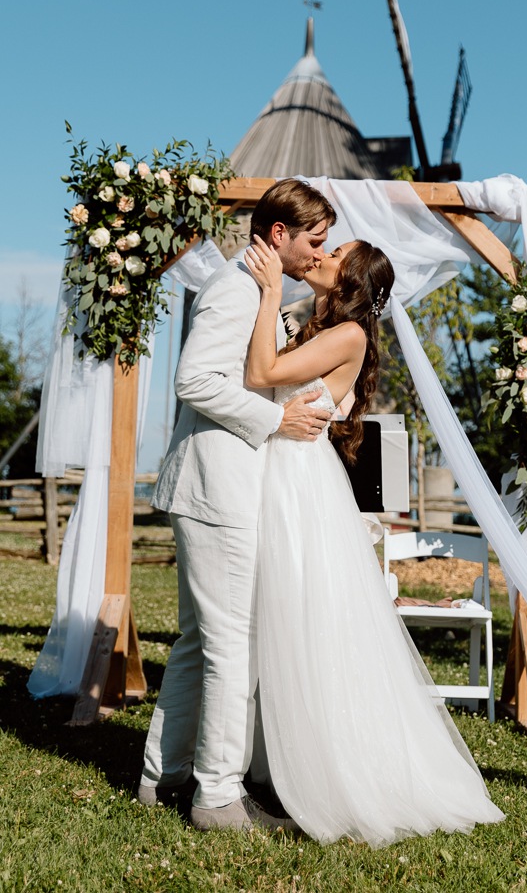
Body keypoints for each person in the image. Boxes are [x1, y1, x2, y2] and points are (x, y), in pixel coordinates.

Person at [244, 235, 505, 846]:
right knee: (275, 618)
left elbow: (263, 374)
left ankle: (319, 771)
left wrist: (267, 292)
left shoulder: (350, 334)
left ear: (350, 279)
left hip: (298, 484)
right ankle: (266, 758)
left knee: (302, 619)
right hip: (279, 473)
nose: (321, 255)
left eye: (333, 253)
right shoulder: (315, 326)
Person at [138, 179, 337, 832]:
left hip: (222, 487)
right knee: (230, 644)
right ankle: (217, 796)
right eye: (314, 240)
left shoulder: (264, 292)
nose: (320, 252)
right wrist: (275, 421)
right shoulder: (235, 287)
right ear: (277, 235)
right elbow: (193, 379)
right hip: (216, 488)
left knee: (200, 640)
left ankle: (160, 775)